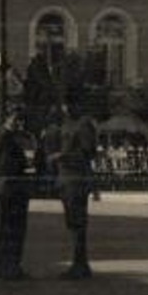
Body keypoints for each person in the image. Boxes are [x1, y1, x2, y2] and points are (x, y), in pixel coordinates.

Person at [55, 105, 98, 279]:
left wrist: (62, 156)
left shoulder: (83, 125)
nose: (65, 108)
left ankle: (80, 266)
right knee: (73, 224)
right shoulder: (71, 124)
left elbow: (87, 153)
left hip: (76, 180)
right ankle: (79, 264)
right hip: (68, 179)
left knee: (77, 224)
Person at [0, 112, 36, 280]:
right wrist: (25, 165)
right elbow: (6, 165)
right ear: (8, 120)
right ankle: (10, 267)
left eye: (21, 120)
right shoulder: (7, 139)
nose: (20, 124)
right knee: (13, 229)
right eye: (16, 120)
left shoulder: (5, 137)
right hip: (12, 188)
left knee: (8, 228)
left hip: (7, 187)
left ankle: (8, 266)